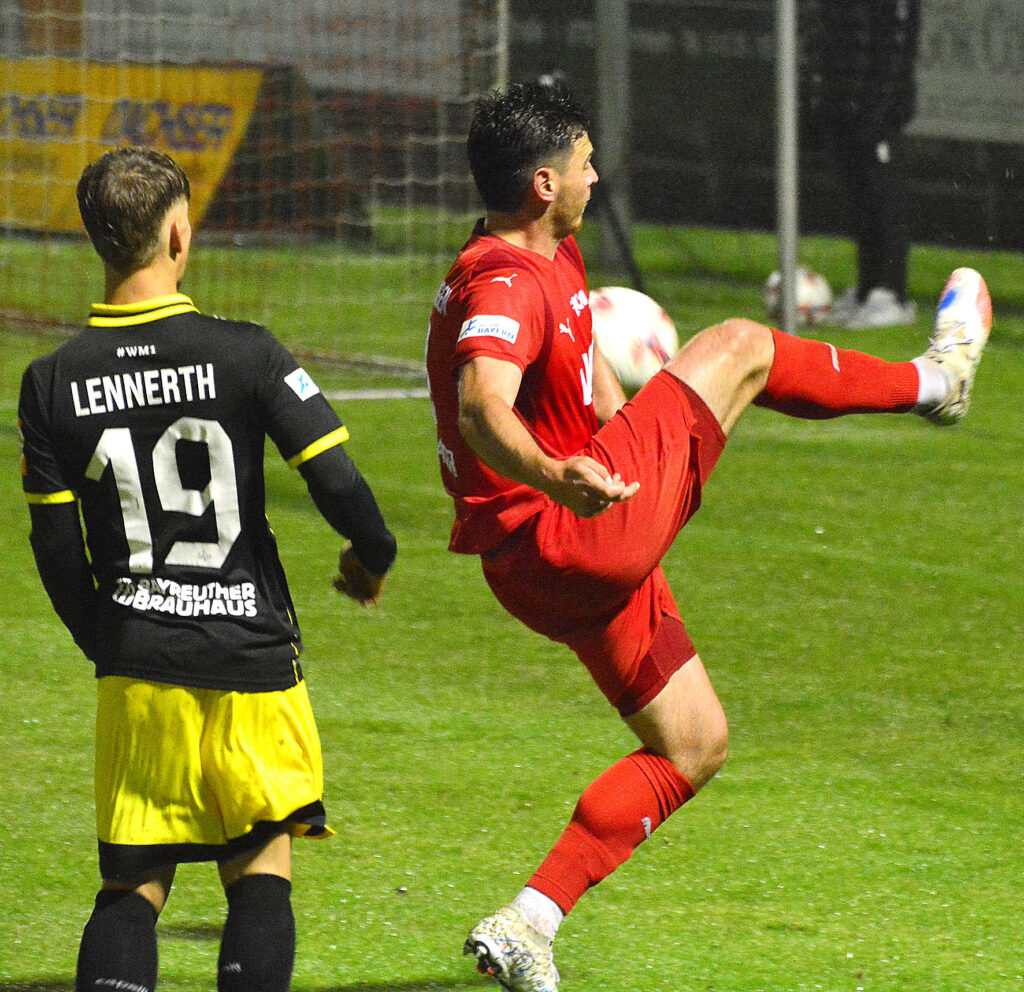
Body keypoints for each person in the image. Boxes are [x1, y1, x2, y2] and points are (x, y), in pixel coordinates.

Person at [424, 82, 990, 992]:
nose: (596, 176)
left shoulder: (547, 253)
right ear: (542, 184)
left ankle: (530, 921)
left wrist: (639, 437)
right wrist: (560, 475)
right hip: (564, 532)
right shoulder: (505, 281)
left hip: (546, 559)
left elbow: (582, 388)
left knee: (692, 743)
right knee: (739, 345)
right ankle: (935, 381)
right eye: (583, 163)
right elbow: (482, 408)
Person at [18, 147, 397, 992]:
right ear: (178, 236)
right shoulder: (248, 353)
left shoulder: (51, 381)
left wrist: (113, 640)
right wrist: (372, 556)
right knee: (259, 871)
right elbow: (337, 481)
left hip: (137, 669)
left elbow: (57, 552)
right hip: (250, 665)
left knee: (132, 884)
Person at [803, 0, 922, 329]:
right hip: (844, 102)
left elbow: (896, 46)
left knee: (884, 198)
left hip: (878, 110)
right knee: (860, 200)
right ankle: (868, 288)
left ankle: (892, 295)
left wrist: (879, 111)